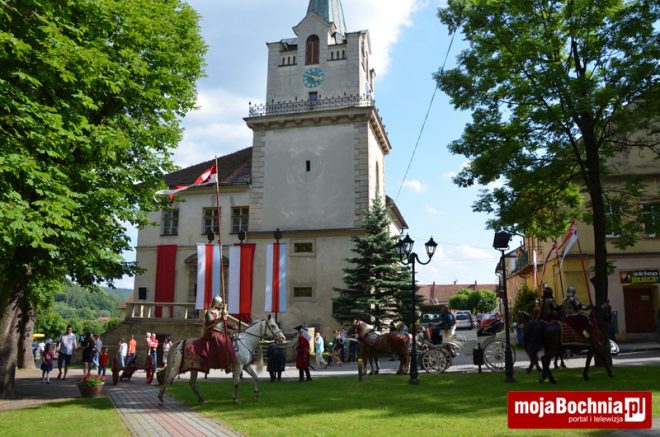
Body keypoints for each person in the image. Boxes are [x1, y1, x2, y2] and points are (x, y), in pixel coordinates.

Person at [195, 295, 237, 370]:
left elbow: (224, 323)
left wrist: (232, 326)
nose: (221, 305)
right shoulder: (209, 312)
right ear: (216, 303)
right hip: (212, 332)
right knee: (222, 342)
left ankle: (230, 361)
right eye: (220, 303)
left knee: (231, 339)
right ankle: (224, 363)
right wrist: (220, 319)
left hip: (220, 332)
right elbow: (209, 323)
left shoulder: (220, 312)